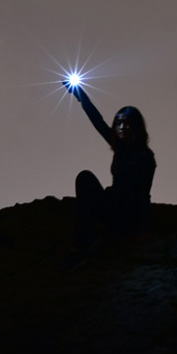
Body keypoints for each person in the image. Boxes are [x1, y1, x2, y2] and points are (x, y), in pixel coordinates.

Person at [66, 82, 156, 247]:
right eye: (118, 123)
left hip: (126, 214)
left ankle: (94, 239)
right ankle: (87, 237)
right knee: (85, 178)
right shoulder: (120, 148)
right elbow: (98, 121)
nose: (121, 127)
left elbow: (144, 195)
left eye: (126, 123)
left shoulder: (145, 158)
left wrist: (145, 230)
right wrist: (81, 96)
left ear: (136, 127)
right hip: (110, 204)